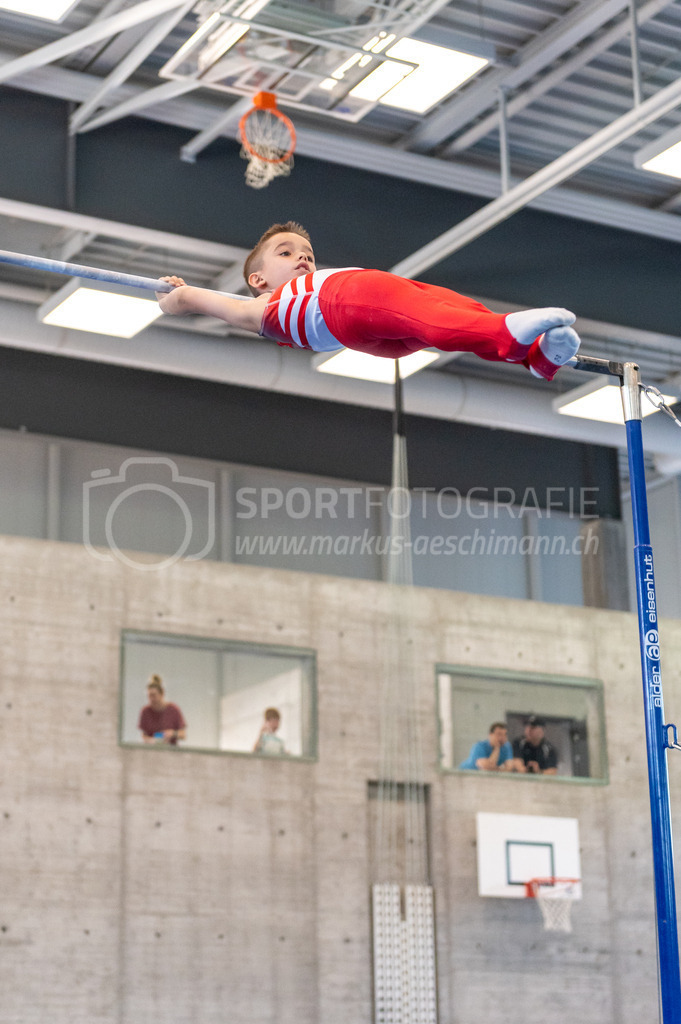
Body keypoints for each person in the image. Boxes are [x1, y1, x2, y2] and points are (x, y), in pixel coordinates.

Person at [156, 221, 581, 381]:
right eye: (285, 252)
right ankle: (508, 335)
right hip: (347, 302)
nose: (302, 256)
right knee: (435, 316)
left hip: (365, 335)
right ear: (258, 279)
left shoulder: (282, 316)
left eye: (307, 252)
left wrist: (178, 296)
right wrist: (176, 296)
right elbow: (194, 300)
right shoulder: (263, 307)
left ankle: (534, 358)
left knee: (447, 316)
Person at [138, 674, 187, 746]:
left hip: (171, 751)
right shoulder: (145, 711)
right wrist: (151, 741)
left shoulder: (174, 710)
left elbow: (183, 735)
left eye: (154, 695)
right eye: (149, 696)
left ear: (162, 694)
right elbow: (143, 736)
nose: (151, 699)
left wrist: (172, 733)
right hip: (151, 751)